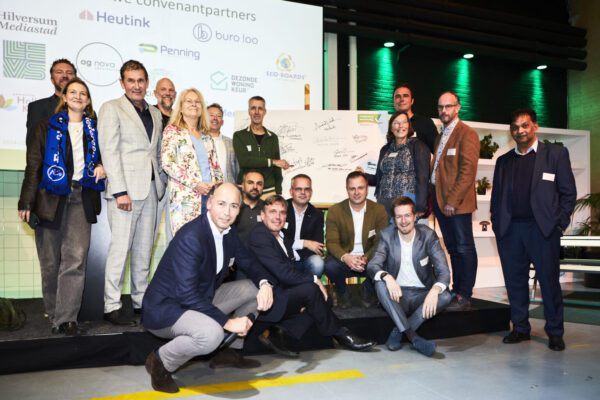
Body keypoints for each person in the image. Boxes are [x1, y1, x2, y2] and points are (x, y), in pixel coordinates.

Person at [142, 183, 275, 393]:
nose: (227, 212)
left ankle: (226, 352)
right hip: (168, 308)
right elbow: (186, 294)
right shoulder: (192, 237)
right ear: (209, 204)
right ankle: (160, 361)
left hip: (201, 298)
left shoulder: (228, 233)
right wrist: (228, 322)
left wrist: (265, 283)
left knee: (254, 289)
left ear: (239, 210)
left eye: (233, 206)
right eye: (221, 204)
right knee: (212, 334)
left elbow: (249, 262)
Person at [18, 78, 105, 335]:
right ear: (64, 98)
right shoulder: (45, 127)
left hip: (81, 197)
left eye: (83, 93)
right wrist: (26, 201)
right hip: (50, 198)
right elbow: (33, 166)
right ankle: (55, 315)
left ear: (88, 101)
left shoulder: (94, 130)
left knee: (75, 259)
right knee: (50, 262)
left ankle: (67, 319)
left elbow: (103, 157)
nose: (78, 96)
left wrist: (102, 165)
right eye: (73, 92)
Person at [247, 195, 376, 357]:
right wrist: (314, 280)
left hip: (282, 290)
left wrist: (310, 286)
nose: (278, 217)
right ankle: (341, 334)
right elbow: (283, 273)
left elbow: (290, 269)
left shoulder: (281, 236)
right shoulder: (260, 235)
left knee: (324, 297)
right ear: (263, 215)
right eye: (272, 211)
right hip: (268, 298)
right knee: (312, 291)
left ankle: (281, 332)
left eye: (282, 212)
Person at [491, 108, 576, 351]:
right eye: (515, 127)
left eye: (525, 125)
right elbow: (497, 198)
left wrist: (559, 224)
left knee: (549, 283)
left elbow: (568, 193)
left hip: (543, 231)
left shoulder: (555, 154)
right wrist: (498, 224)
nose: (520, 131)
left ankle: (555, 332)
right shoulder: (503, 161)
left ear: (535, 126)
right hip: (510, 232)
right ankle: (520, 328)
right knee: (514, 282)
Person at [98, 60, 166, 325]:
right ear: (122, 83)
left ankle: (140, 302)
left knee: (143, 252)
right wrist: (119, 191)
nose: (136, 86)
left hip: (150, 190)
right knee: (120, 250)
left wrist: (161, 184)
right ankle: (111, 305)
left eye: (140, 80)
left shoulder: (155, 113)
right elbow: (109, 151)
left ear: (147, 83)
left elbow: (155, 152)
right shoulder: (111, 108)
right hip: (125, 192)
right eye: (131, 80)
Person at [368, 197, 452, 357]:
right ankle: (414, 338)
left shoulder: (428, 235)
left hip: (422, 295)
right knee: (380, 284)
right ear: (394, 219)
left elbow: (444, 271)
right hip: (398, 295)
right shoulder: (386, 235)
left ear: (415, 217)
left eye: (407, 215)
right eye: (399, 216)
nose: (403, 221)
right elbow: (373, 265)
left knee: (445, 296)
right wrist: (387, 277)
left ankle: (398, 332)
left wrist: (434, 290)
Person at [430, 91, 480, 311]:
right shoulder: (440, 136)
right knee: (452, 248)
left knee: (464, 248)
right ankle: (456, 289)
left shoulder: (467, 134)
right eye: (440, 107)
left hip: (456, 204)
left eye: (448, 106)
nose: (444, 111)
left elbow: (468, 171)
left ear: (457, 108)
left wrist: (453, 200)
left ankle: (465, 294)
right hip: (441, 202)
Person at [324, 171, 388, 309]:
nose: (356, 192)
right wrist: (346, 257)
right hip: (345, 260)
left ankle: (367, 290)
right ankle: (342, 292)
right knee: (329, 265)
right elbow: (331, 242)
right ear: (347, 190)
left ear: (367, 189)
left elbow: (380, 242)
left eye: (360, 188)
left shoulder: (379, 210)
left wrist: (366, 258)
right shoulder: (335, 210)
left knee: (389, 259)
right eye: (352, 188)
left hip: (368, 260)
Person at [161, 88, 219, 238]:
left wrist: (217, 188)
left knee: (207, 242)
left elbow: (216, 168)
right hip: (186, 198)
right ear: (180, 107)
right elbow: (168, 163)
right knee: (186, 242)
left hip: (210, 198)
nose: (194, 104)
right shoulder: (172, 131)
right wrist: (195, 184)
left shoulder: (206, 136)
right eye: (189, 101)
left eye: (197, 102)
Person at [363, 110, 430, 219]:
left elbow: (422, 178)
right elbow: (379, 178)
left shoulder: (417, 146)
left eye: (404, 122)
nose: (400, 126)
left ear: (409, 125)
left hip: (406, 202)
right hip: (383, 202)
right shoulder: (385, 149)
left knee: (402, 230)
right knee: (384, 230)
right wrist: (362, 175)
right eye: (396, 123)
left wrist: (420, 206)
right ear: (391, 128)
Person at [233, 96, 289, 196]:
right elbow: (244, 161)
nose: (257, 112)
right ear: (249, 111)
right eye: (253, 108)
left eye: (260, 108)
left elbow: (277, 169)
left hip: (268, 191)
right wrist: (272, 162)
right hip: (245, 191)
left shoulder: (272, 137)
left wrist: (278, 192)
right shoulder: (239, 136)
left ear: (264, 112)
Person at [282, 174, 325, 277]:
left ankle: (308, 285)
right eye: (298, 189)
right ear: (291, 191)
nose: (303, 192)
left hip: (304, 259)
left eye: (307, 189)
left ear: (311, 193)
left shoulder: (317, 214)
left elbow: (317, 246)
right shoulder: (282, 209)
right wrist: (305, 243)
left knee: (317, 262)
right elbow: (277, 241)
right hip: (282, 258)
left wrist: (297, 253)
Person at [26, 59, 76, 147]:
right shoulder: (38, 107)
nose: (65, 75)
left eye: (69, 73)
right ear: (52, 79)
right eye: (59, 72)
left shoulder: (87, 111)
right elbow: (33, 145)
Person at [392, 83, 438, 154]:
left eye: (405, 96)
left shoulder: (425, 123)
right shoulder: (390, 125)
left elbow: (438, 151)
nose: (402, 99)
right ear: (394, 102)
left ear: (412, 101)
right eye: (398, 96)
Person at [207, 103, 239, 183]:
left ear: (222, 122)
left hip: (227, 188)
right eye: (211, 115)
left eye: (218, 116)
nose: (215, 118)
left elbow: (237, 170)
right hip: (204, 188)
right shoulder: (197, 141)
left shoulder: (231, 143)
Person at [235, 170, 265, 246]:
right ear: (242, 186)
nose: (255, 187)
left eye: (259, 184)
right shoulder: (234, 207)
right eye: (250, 183)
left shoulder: (267, 208)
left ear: (263, 187)